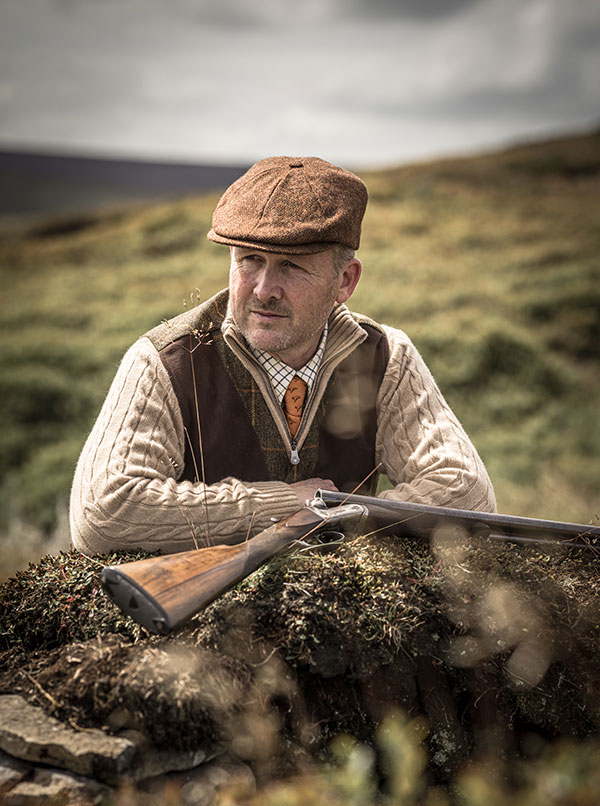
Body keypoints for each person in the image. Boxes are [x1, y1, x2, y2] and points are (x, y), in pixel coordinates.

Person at [70, 155, 496, 555]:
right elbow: (103, 512)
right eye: (250, 260)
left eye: (291, 266)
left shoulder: (385, 356)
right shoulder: (167, 360)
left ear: (344, 281)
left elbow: (467, 492)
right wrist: (282, 504)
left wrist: (334, 515)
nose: (264, 290)